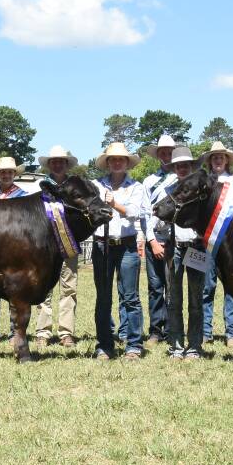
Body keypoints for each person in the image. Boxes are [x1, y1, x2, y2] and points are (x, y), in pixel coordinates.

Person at [92, 142, 151, 360]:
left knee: (130, 297)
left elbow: (135, 213)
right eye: (113, 159)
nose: (117, 162)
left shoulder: (136, 187)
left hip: (127, 245)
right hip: (102, 245)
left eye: (121, 159)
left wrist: (114, 203)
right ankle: (104, 345)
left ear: (127, 163)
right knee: (103, 297)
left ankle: (134, 346)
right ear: (107, 163)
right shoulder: (95, 185)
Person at [36, 146, 82, 348]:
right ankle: (42, 332)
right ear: (49, 164)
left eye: (61, 161)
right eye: (54, 161)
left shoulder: (76, 187)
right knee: (44, 289)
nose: (57, 164)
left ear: (66, 164)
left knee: (69, 288)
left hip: (69, 243)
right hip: (45, 246)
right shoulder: (39, 187)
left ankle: (66, 333)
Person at [164, 146, 206, 360]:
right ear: (174, 168)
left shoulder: (202, 191)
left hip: (196, 246)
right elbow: (156, 217)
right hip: (174, 248)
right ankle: (176, 346)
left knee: (196, 299)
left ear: (191, 167)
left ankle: (195, 346)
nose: (182, 168)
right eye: (178, 166)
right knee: (173, 299)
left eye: (185, 165)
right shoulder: (168, 190)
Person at [0, 156, 29, 344]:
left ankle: (13, 332)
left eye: (9, 172)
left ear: (14, 174)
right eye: (3, 172)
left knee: (15, 292)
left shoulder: (23, 196)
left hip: (15, 250)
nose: (6, 175)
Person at [198, 141, 233, 346]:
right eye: (214, 157)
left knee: (231, 289)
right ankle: (206, 331)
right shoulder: (204, 182)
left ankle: (231, 333)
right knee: (206, 288)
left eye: (221, 157)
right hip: (205, 243)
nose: (217, 160)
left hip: (230, 245)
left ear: (226, 160)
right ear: (209, 161)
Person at [142, 135, 178, 345]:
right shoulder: (149, 181)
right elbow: (145, 214)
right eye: (162, 152)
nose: (166, 155)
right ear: (157, 156)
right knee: (155, 287)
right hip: (154, 239)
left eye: (169, 152)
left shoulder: (181, 179)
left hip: (175, 239)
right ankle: (156, 329)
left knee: (172, 287)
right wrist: (152, 241)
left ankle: (173, 328)